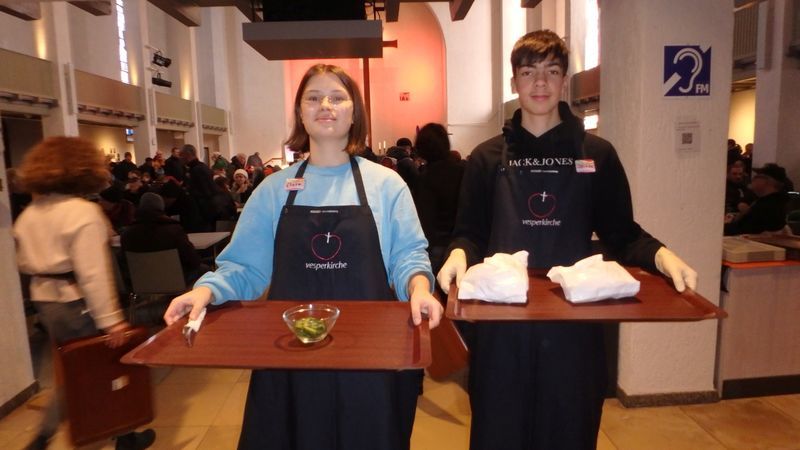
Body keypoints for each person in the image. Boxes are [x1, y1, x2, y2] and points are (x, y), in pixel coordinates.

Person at [436, 30, 697, 450]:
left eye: (552, 71)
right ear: (514, 82)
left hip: (574, 326)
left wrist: (662, 256)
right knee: (499, 432)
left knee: (570, 431)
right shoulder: (486, 158)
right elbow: (469, 233)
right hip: (502, 327)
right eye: (529, 72)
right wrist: (457, 255)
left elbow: (622, 234)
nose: (540, 82)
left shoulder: (598, 154)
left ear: (564, 82)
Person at [163, 63, 442, 450]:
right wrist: (205, 291)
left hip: (369, 356)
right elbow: (244, 267)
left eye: (337, 97)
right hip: (290, 355)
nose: (325, 105)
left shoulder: (386, 185)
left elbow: (408, 256)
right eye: (313, 97)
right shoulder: (274, 189)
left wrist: (419, 288)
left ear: (355, 112)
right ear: (300, 112)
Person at [13, 137, 155, 450]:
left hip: (46, 303)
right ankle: (116, 434)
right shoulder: (83, 213)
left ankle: (121, 434)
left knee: (76, 370)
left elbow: (23, 263)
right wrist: (111, 320)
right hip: (77, 302)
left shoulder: (29, 214)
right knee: (97, 369)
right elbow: (93, 274)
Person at [411, 123, 465, 274]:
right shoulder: (463, 170)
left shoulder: (426, 177)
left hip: (436, 246)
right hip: (461, 244)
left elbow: (424, 219)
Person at [724, 163, 792, 235]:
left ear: (767, 182)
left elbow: (744, 229)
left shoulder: (767, 206)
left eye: (757, 176)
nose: (753, 179)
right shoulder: (775, 201)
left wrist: (722, 226)